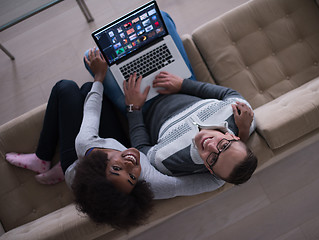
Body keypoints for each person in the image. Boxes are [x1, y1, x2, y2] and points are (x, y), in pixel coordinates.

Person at [5, 48, 224, 230]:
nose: (130, 164)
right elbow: (216, 181)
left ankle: (43, 159)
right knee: (89, 88)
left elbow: (91, 115)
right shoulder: (154, 183)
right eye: (131, 177)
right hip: (112, 145)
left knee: (65, 87)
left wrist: (102, 78)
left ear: (99, 165)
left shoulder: (85, 146)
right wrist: (231, 147)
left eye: (117, 169)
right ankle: (52, 162)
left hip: (76, 161)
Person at [89, 12, 258, 185]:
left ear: (208, 170)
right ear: (236, 138)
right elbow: (228, 94)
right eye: (223, 146)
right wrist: (183, 84)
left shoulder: (171, 162)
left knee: (92, 57)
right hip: (178, 82)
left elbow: (142, 151)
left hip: (144, 106)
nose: (210, 146)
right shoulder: (243, 120)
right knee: (161, 17)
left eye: (213, 159)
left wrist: (134, 109)